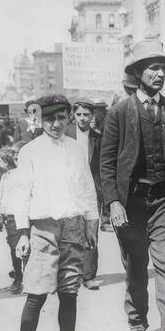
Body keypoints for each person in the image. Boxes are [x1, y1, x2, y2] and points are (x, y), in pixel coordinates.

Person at [99, 40, 165, 331]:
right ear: (138, 72)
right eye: (153, 68)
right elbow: (107, 161)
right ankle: (137, 320)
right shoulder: (119, 112)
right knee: (136, 264)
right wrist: (113, 202)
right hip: (131, 203)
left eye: (163, 68)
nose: (159, 74)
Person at [4, 94, 99, 331]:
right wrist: (22, 233)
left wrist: (91, 223)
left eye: (61, 118)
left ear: (69, 117)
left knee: (70, 293)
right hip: (43, 229)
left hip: (72, 227)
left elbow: (86, 187)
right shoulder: (31, 151)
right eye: (50, 118)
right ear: (41, 119)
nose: (56, 124)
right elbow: (20, 193)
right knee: (36, 295)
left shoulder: (75, 149)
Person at [69, 99, 104, 290]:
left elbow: (103, 166)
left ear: (93, 116)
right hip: (69, 190)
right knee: (70, 232)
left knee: (91, 232)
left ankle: (89, 275)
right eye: (79, 114)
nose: (82, 118)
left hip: (91, 191)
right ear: (73, 116)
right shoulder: (65, 135)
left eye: (86, 114)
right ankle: (71, 273)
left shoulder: (98, 137)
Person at [0, 141, 25, 293]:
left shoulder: (25, 175)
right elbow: (2, 198)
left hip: (22, 216)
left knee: (22, 249)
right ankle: (18, 275)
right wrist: (1, 216)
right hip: (11, 217)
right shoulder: (6, 177)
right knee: (14, 248)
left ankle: (22, 276)